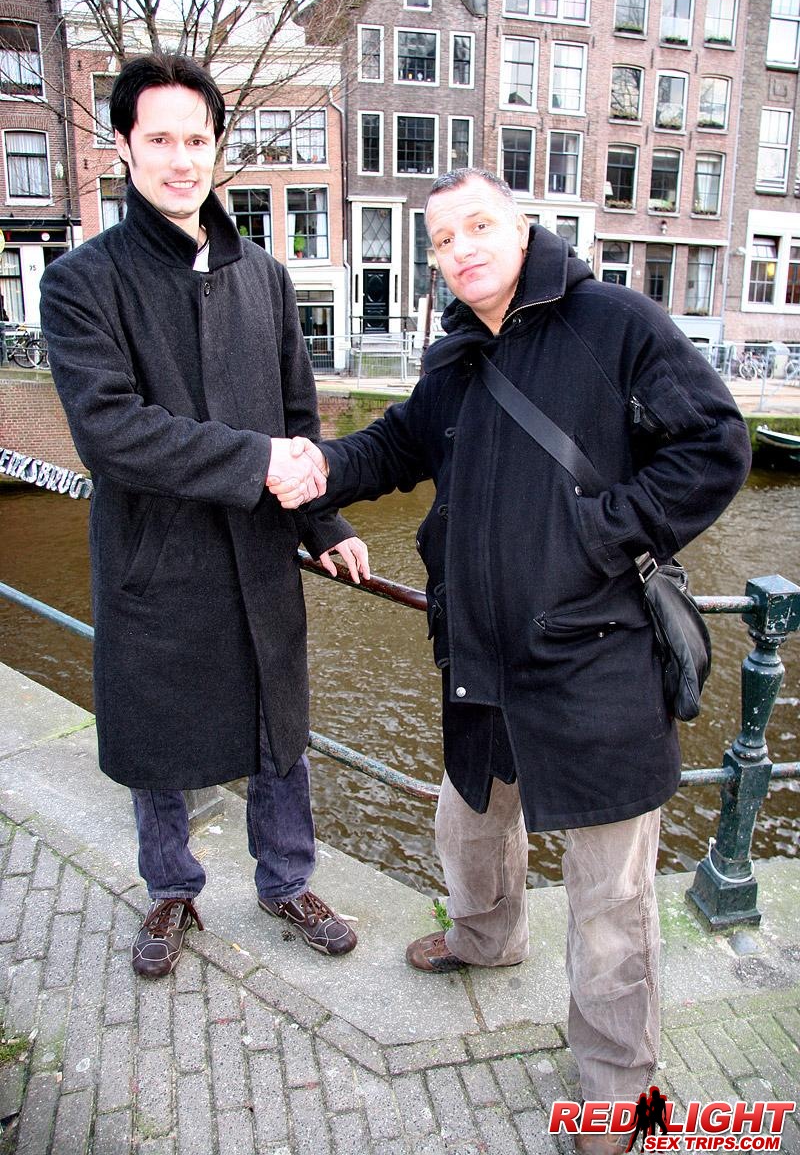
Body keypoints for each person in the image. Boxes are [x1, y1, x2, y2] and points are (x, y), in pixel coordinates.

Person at [269, 169, 751, 1152]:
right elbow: (395, 446)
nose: (461, 250)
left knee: (609, 899)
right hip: (482, 656)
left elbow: (714, 445)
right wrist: (320, 469)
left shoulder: (614, 323)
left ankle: (616, 1089)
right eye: (442, 240)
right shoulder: (455, 356)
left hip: (593, 659)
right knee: (470, 823)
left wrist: (595, 534)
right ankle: (486, 939)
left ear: (523, 230)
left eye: (478, 226)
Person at [39, 54, 369, 979]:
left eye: (197, 139)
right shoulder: (81, 282)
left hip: (257, 553)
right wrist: (255, 461)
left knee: (278, 728)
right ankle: (171, 888)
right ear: (123, 147)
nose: (182, 160)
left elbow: (297, 422)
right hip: (157, 558)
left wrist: (324, 523)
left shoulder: (264, 276)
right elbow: (111, 433)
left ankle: (287, 880)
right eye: (160, 139)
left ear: (217, 146)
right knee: (157, 736)